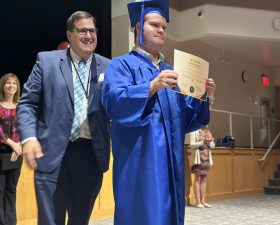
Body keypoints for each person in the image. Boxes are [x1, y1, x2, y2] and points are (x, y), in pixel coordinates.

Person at [101, 0, 216, 224]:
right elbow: (114, 103)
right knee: (143, 213)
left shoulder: (171, 71)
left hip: (172, 160)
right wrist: (151, 87)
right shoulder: (121, 65)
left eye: (164, 27)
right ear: (137, 28)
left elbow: (187, 119)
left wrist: (203, 96)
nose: (161, 30)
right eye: (155, 25)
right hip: (140, 160)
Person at [17, 11, 110, 225]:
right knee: (51, 220)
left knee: (80, 221)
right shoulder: (46, 61)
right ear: (69, 35)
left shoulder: (109, 67)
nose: (89, 35)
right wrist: (29, 138)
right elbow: (27, 103)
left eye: (92, 30)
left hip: (91, 155)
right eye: (82, 30)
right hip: (52, 154)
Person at [0, 73, 22, 225]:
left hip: (17, 154)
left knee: (11, 190)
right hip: (1, 152)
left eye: (14, 83)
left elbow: (26, 127)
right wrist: (11, 143)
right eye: (8, 83)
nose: (11, 86)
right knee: (0, 191)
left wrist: (18, 145)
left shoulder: (21, 105)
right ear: (3, 85)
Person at [185, 127, 215, 208]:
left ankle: (203, 201)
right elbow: (192, 145)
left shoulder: (207, 131)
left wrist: (209, 141)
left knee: (204, 179)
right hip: (198, 159)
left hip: (206, 159)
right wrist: (203, 142)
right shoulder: (193, 131)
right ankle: (198, 202)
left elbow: (212, 146)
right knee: (197, 179)